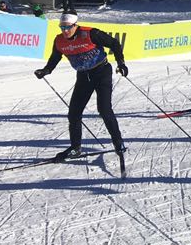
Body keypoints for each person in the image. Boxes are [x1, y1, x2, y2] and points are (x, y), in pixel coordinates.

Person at [34, 12, 127, 159]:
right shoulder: (59, 40)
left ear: (75, 25)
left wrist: (121, 63)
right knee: (74, 113)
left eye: (67, 27)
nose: (65, 31)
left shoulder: (91, 34)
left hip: (101, 72)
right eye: (62, 27)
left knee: (104, 109)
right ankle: (75, 148)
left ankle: (118, 142)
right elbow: (55, 57)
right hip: (83, 76)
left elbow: (114, 43)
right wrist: (46, 70)